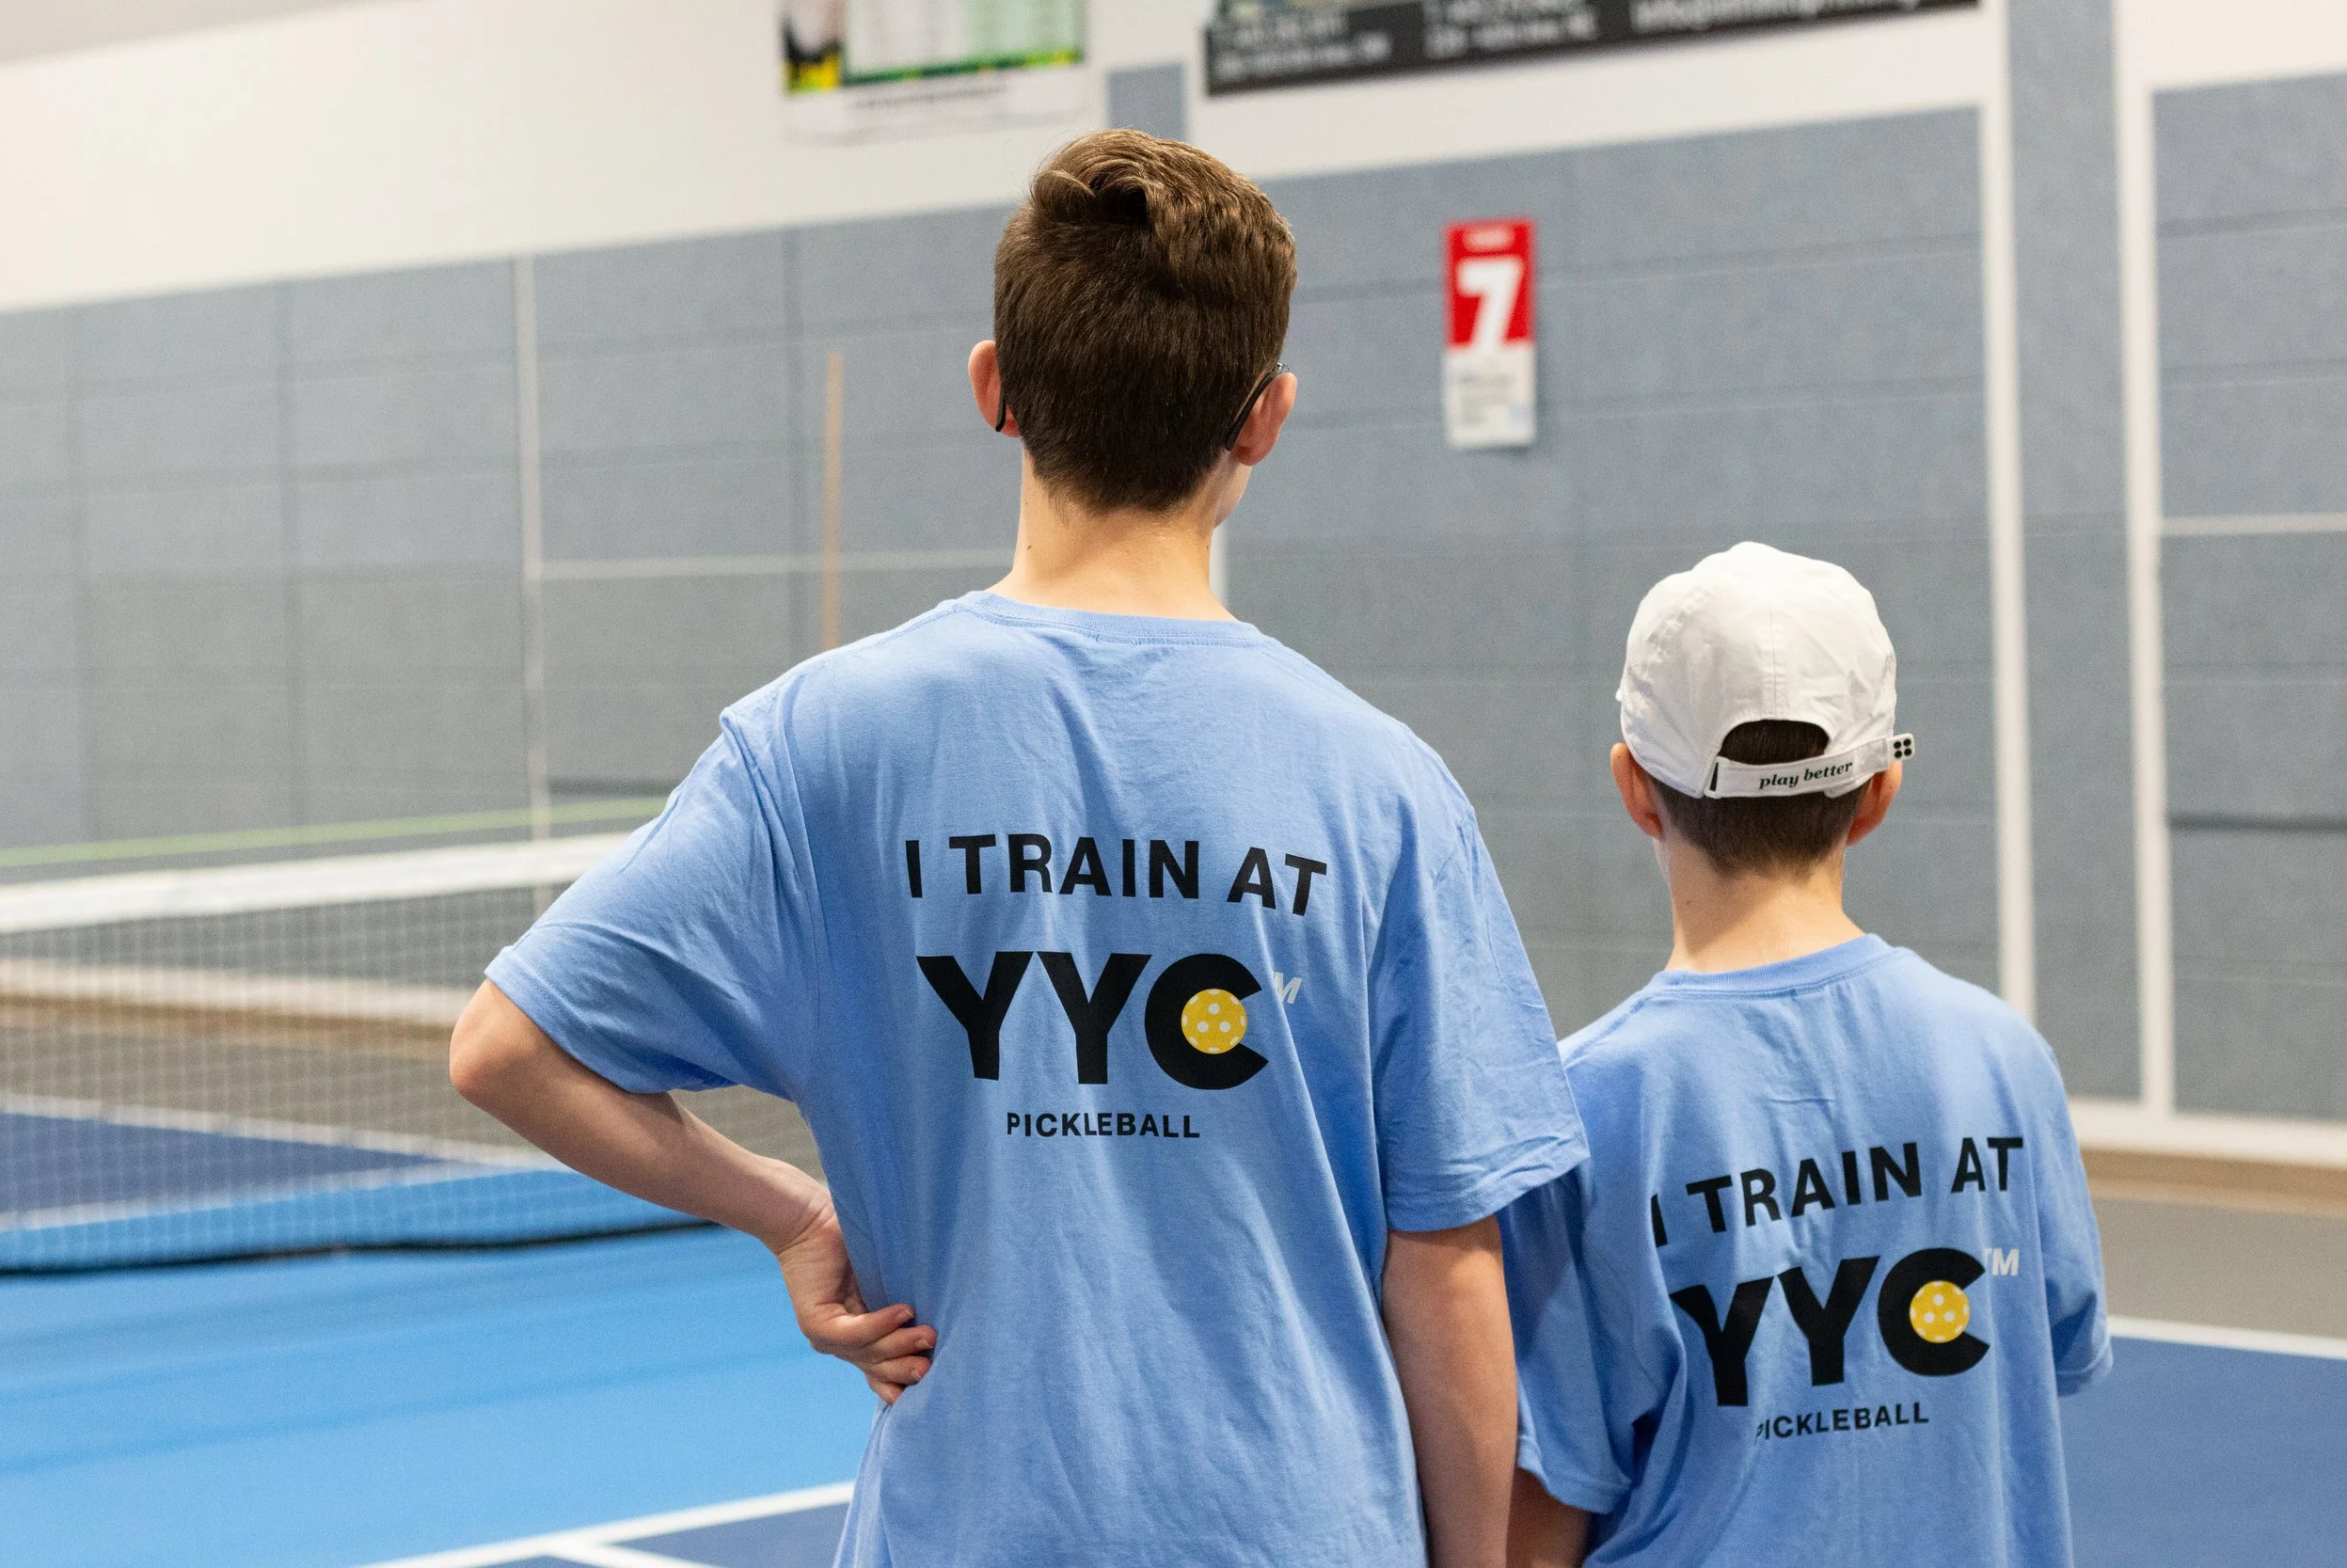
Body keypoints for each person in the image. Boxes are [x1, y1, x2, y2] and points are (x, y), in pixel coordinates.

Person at [451, 130, 1585, 1568]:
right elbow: (1448, 1264)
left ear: (995, 389)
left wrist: (789, 1213)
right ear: (1265, 418)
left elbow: (504, 1047)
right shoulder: (1384, 788)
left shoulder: (822, 743)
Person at [1502, 542, 2111, 1568]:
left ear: (1634, 789)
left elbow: (1543, 1499)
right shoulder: (2000, 1057)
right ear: (1879, 791)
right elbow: (2045, 1346)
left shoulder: (1583, 1105)